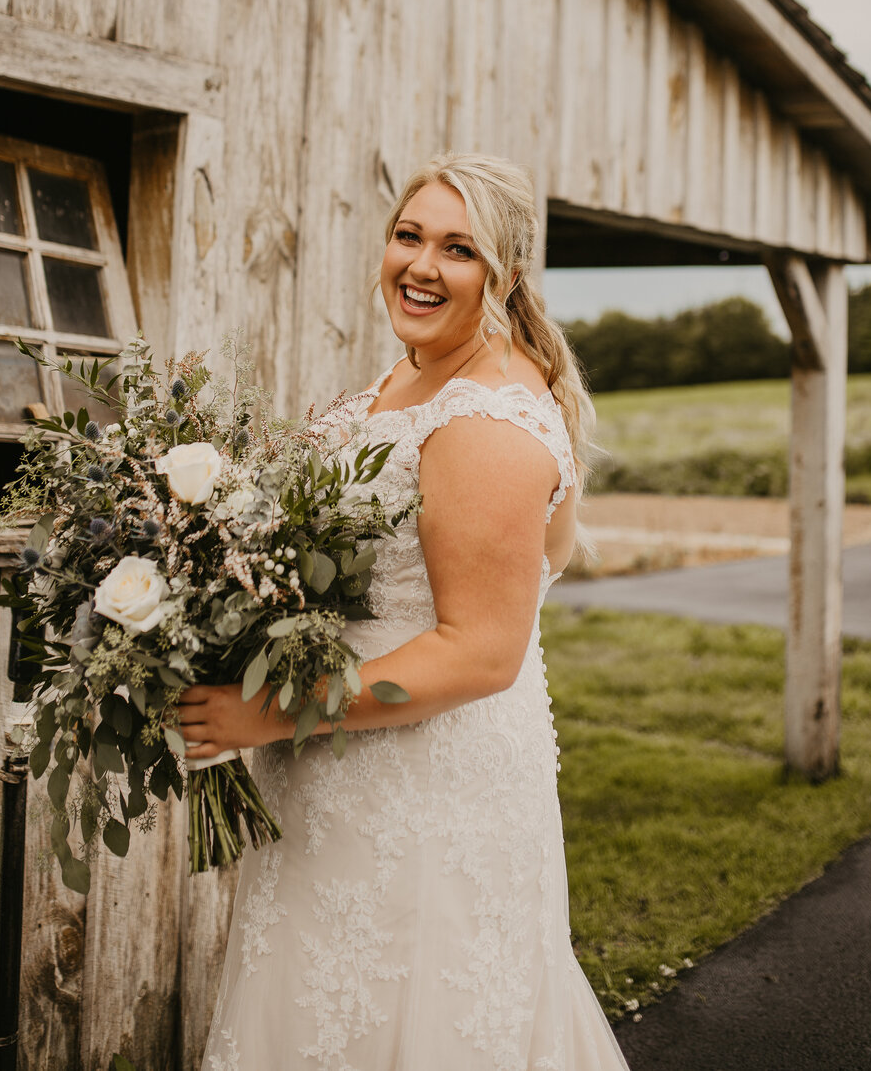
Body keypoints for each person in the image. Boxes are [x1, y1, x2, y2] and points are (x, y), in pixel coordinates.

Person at [181, 152, 632, 1071]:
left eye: (457, 248)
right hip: (340, 774)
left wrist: (260, 712)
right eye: (408, 236)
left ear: (503, 276)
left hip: (423, 792)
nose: (421, 265)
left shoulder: (487, 422)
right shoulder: (405, 379)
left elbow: (480, 653)